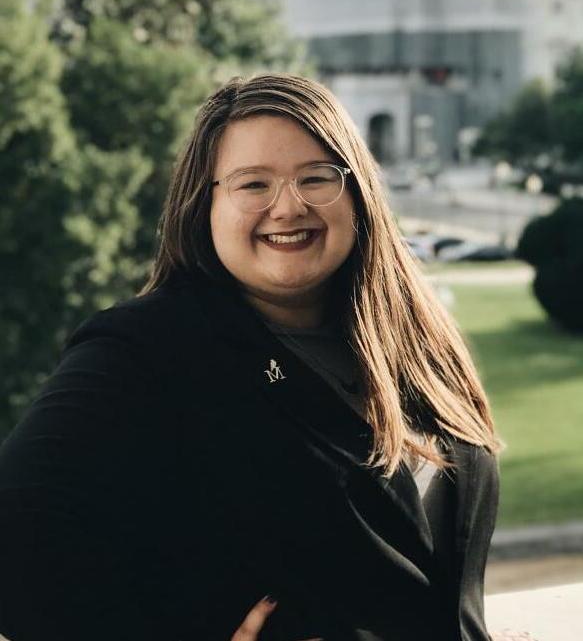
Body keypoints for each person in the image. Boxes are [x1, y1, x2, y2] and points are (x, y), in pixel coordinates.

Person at [0, 74, 501, 641]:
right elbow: (18, 551)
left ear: (358, 195)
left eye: (317, 178)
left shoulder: (413, 339)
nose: (289, 207)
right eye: (252, 185)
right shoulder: (146, 350)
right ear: (203, 203)